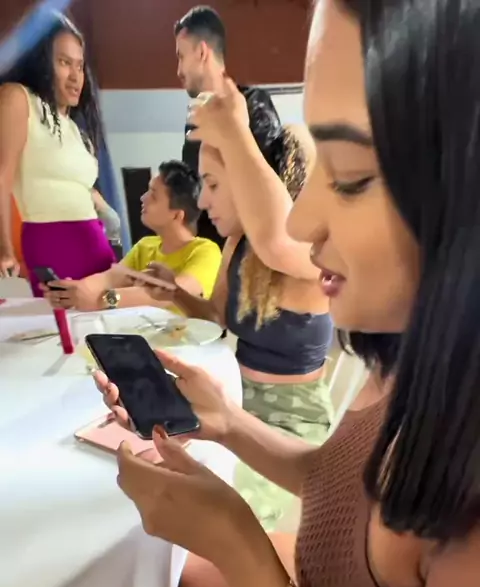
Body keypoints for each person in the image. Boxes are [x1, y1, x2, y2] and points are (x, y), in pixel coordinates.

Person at [97, 0, 480, 587]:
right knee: (136, 578)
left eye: (350, 177)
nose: (302, 224)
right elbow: (346, 485)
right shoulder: (415, 348)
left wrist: (238, 542)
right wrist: (229, 425)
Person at [143, 81, 333, 530]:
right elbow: (219, 318)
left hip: (290, 427)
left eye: (211, 184)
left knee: (200, 521)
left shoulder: (308, 247)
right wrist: (176, 294)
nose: (202, 201)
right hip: (235, 406)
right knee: (156, 476)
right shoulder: (236, 243)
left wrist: (235, 134)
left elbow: (278, 240)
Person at [0, 14, 118, 294]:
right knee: (60, 320)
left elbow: (77, 186)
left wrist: (110, 215)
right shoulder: (18, 99)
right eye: (64, 63)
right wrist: (4, 248)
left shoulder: (75, 129)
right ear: (42, 63)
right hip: (52, 247)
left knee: (110, 320)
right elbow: (2, 175)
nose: (76, 76)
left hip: (99, 252)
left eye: (80, 65)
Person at [42, 160, 221, 314]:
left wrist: (103, 299)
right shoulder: (145, 246)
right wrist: (76, 291)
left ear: (176, 215)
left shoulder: (206, 251)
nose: (143, 198)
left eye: (153, 195)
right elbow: (111, 277)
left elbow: (174, 293)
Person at [175, 5, 281, 247]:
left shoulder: (254, 105)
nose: (178, 70)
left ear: (202, 52)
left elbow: (268, 193)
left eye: (181, 57)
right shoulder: (193, 124)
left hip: (252, 257)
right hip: (210, 260)